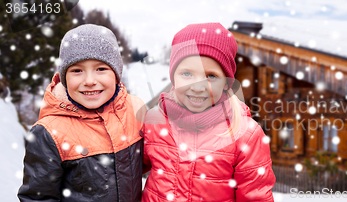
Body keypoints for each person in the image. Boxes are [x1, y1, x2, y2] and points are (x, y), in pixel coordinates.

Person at [141, 23, 275, 202]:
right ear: (173, 77)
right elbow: (123, 171)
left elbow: (255, 196)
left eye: (211, 76)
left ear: (226, 83)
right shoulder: (153, 122)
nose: (197, 87)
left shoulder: (245, 134)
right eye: (187, 74)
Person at [18, 24, 145, 202]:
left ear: (116, 74)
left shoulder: (134, 110)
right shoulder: (49, 133)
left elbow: (155, 161)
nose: (90, 81)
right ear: (64, 78)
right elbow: (38, 197)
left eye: (101, 69)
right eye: (77, 71)